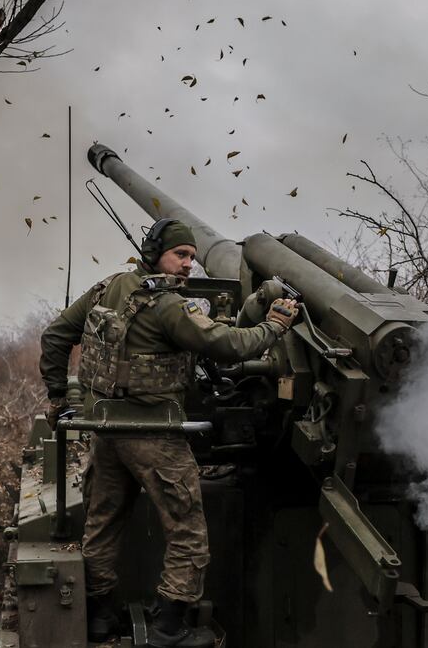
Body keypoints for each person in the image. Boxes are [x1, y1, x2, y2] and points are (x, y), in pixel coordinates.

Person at [39, 219, 298, 647]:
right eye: (181, 255)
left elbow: (56, 335)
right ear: (154, 251)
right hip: (155, 435)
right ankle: (168, 625)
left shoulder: (107, 288)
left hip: (105, 429)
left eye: (192, 258)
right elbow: (229, 346)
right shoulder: (169, 306)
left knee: (103, 524)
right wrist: (274, 326)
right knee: (188, 530)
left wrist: (56, 395)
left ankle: (100, 617)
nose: (187, 266)